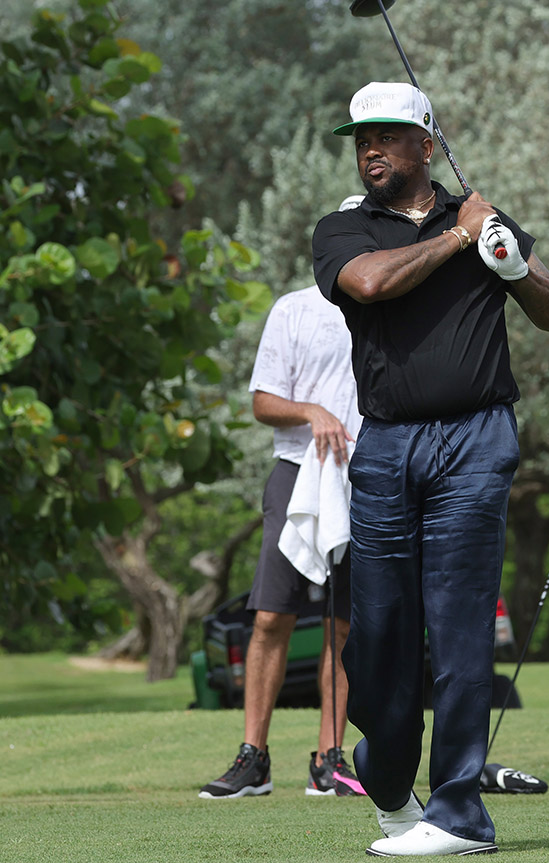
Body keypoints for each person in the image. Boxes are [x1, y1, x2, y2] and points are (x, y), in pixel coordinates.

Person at [312, 82, 549, 856]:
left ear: (425, 145)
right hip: (388, 446)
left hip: (475, 440)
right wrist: (460, 241)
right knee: (380, 640)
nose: (370, 150)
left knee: (461, 628)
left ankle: (461, 813)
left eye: (388, 137)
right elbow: (368, 283)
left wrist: (510, 262)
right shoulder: (342, 229)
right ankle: (388, 775)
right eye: (362, 138)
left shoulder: (482, 221)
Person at [200, 197, 370, 801]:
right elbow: (264, 400)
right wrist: (314, 411)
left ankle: (330, 757)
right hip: (298, 472)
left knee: (344, 627)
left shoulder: (395, 306)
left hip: (369, 477)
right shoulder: (295, 308)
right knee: (271, 616)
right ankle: (254, 756)